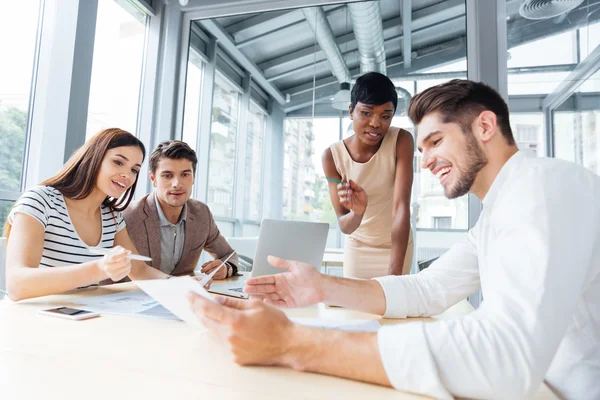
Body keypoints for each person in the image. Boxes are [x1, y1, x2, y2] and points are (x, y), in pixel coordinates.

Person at [188, 80, 600, 400]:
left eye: (436, 141)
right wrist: (322, 287)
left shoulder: (544, 188)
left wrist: (290, 342)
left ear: (485, 126)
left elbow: (505, 356)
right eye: (422, 149)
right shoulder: (499, 211)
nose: (428, 160)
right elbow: (429, 288)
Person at [4, 128, 171, 301]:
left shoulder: (111, 218)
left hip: (78, 316)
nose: (126, 175)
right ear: (95, 157)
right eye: (118, 162)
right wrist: (99, 269)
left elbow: (140, 270)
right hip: (30, 318)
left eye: (134, 170)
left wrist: (183, 286)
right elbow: (17, 285)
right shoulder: (41, 200)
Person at [322, 72, 414, 278]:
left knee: (392, 309)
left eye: (385, 116)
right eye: (366, 113)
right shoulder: (332, 157)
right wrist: (358, 212)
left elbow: (401, 208)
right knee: (355, 310)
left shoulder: (401, 141)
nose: (375, 123)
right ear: (351, 111)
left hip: (397, 248)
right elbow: (345, 225)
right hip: (358, 248)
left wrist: (395, 274)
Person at [123, 140, 238, 280]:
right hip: (134, 296)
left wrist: (226, 268)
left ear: (194, 177)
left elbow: (228, 255)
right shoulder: (130, 216)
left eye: (185, 174)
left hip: (184, 298)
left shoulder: (201, 213)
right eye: (167, 175)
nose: (177, 184)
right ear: (153, 179)